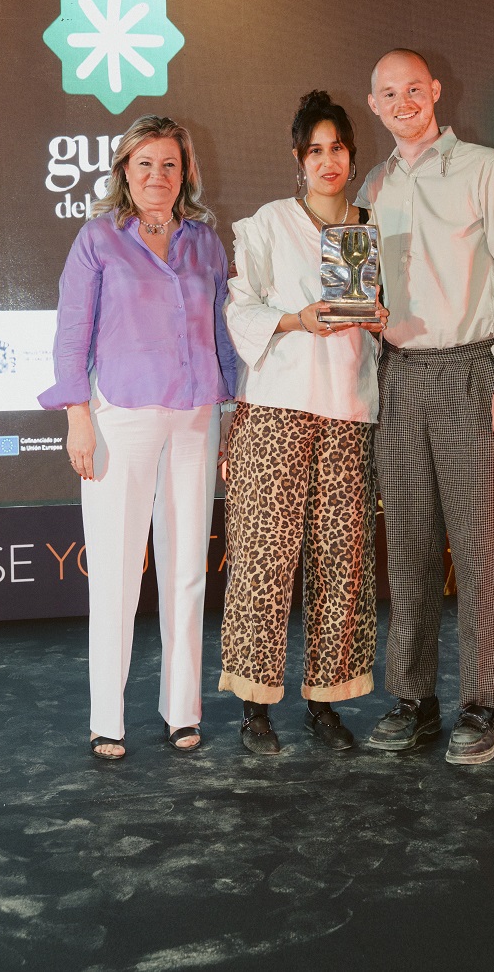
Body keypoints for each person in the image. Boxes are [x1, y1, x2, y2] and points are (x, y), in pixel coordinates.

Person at [358, 49, 494, 764]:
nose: (403, 101)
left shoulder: (487, 171)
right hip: (399, 379)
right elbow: (366, 293)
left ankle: (480, 706)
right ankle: (414, 701)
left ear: (435, 91)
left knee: (474, 551)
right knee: (405, 554)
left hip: (473, 373)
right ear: (373, 104)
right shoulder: (373, 185)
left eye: (414, 88)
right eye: (388, 93)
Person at [39, 115, 237, 761]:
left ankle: (182, 711)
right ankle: (108, 721)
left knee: (187, 573)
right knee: (118, 576)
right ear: (125, 170)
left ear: (186, 174)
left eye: (170, 165)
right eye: (145, 163)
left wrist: (230, 421)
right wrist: (77, 418)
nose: (158, 175)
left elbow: (223, 340)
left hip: (196, 418)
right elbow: (73, 335)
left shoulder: (206, 244)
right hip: (118, 417)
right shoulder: (98, 240)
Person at [220, 90, 387, 754]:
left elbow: (391, 323)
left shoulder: (371, 228)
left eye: (338, 148)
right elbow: (240, 309)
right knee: (263, 559)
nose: (328, 161)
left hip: (348, 415)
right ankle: (254, 709)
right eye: (314, 151)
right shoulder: (265, 226)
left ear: (351, 153)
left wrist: (381, 316)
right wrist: (295, 318)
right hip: (276, 412)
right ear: (298, 159)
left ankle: (327, 703)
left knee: (342, 561)